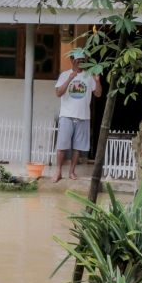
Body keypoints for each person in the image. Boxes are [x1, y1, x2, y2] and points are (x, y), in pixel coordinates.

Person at [52, 48, 102, 182]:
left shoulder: (89, 75)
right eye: (77, 60)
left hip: (84, 116)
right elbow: (58, 93)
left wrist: (97, 81)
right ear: (72, 60)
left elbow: (98, 94)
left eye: (82, 60)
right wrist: (69, 78)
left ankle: (72, 172)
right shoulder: (64, 75)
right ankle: (58, 172)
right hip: (67, 115)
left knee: (78, 147)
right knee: (62, 146)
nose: (80, 62)